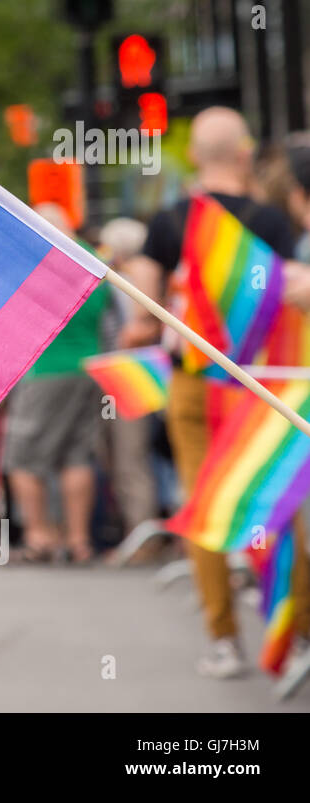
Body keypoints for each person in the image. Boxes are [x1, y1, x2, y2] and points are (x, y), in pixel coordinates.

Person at [122, 107, 310, 691]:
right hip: (265, 381)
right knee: (277, 498)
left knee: (204, 506)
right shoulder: (275, 222)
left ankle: (225, 642)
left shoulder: (169, 223)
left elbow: (142, 322)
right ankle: (295, 631)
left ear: (197, 158)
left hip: (195, 385)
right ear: (245, 154)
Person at [1, 203, 108, 564]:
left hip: (45, 370)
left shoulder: (43, 264)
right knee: (77, 456)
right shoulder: (93, 260)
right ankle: (78, 541)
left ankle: (39, 535)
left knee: (21, 457)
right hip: (88, 369)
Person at [99, 217, 165, 555]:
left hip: (128, 371)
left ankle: (142, 539)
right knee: (128, 456)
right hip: (126, 372)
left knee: (130, 456)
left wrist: (125, 342)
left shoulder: (138, 270)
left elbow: (144, 324)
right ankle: (138, 534)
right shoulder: (138, 270)